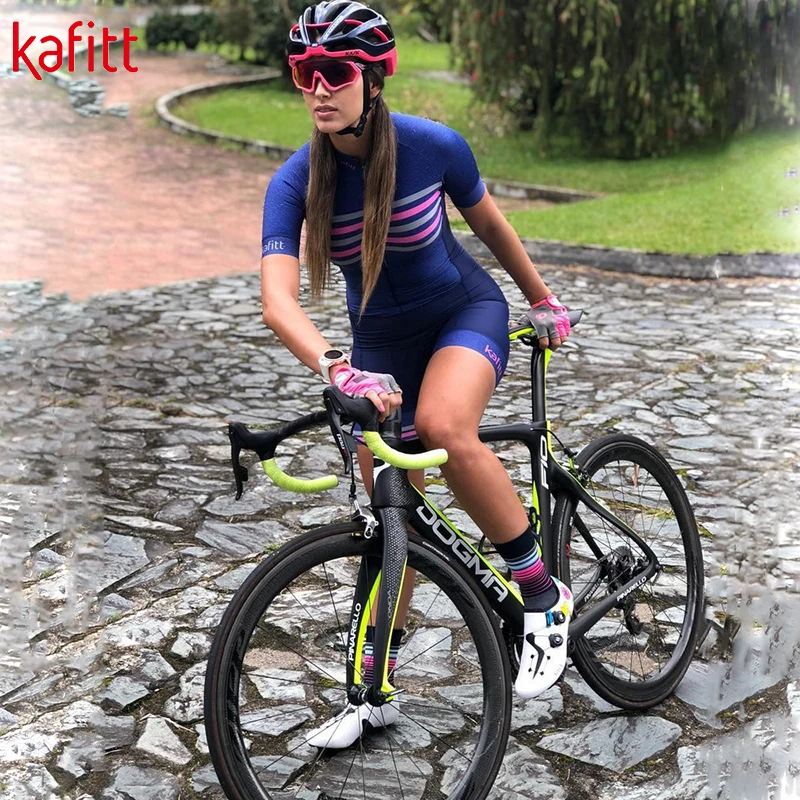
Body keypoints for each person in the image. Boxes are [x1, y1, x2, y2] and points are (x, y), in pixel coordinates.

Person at [260, 0, 574, 749]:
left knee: (441, 425)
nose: (319, 88)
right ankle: (375, 688)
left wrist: (541, 300)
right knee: (390, 514)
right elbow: (277, 301)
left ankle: (542, 594)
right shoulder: (295, 181)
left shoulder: (434, 146)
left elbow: (489, 225)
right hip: (378, 346)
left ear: (374, 78)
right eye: (305, 73)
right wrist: (337, 369)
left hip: (464, 313)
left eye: (335, 71)